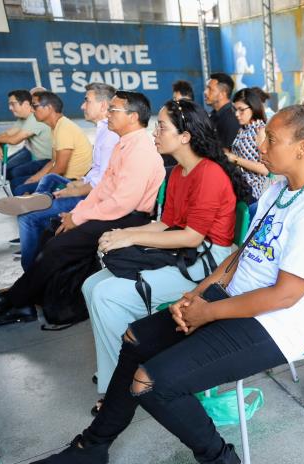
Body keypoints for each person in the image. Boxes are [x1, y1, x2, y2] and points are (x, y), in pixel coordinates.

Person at [23, 96, 304, 464]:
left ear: (303, 150)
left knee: (151, 383)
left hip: (275, 325)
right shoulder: (278, 189)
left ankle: (219, 459)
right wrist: (198, 294)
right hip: (233, 301)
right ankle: (94, 449)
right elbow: (240, 256)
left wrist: (207, 313)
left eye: (271, 139)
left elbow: (285, 296)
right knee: (135, 338)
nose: (260, 146)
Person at [84, 99, 252, 400]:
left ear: (185, 136)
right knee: (91, 285)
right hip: (188, 254)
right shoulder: (177, 172)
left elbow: (191, 236)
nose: (154, 133)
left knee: (107, 295)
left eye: (161, 127)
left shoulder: (209, 173)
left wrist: (130, 239)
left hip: (209, 262)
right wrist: (125, 233)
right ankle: (117, 370)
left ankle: (119, 390)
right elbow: (167, 224)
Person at [0, 91, 165, 326]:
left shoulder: (140, 149)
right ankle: (29, 301)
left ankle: (13, 301)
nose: (108, 115)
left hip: (129, 218)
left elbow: (123, 202)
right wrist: (76, 213)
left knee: (59, 245)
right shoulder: (124, 144)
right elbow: (101, 189)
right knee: (52, 232)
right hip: (111, 211)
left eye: (113, 110)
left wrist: (79, 217)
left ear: (132, 117)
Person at [0, 83, 119, 270]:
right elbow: (96, 171)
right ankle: (41, 198)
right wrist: (79, 182)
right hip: (86, 184)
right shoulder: (102, 130)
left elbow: (100, 183)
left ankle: (29, 274)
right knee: (46, 181)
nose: (82, 106)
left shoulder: (107, 135)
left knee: (27, 217)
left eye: (87, 101)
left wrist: (74, 189)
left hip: (94, 195)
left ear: (102, 106)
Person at [12, 91, 93, 196]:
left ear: (48, 108)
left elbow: (60, 168)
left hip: (71, 181)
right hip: (62, 177)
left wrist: (41, 183)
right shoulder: (56, 127)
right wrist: (35, 178)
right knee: (18, 182)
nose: (31, 110)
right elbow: (54, 161)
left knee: (20, 189)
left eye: (34, 106)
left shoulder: (64, 129)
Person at [0, 89, 52, 183]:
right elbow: (6, 135)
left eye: (13, 104)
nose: (10, 108)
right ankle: (21, 188)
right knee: (3, 168)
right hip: (31, 150)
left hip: (45, 158)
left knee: (15, 174)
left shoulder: (36, 118)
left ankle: (29, 189)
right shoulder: (25, 117)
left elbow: (14, 140)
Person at [225, 87, 269, 202]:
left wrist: (235, 159)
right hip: (239, 186)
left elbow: (265, 169)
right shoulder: (243, 129)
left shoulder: (260, 131)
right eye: (235, 110)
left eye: (241, 110)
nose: (237, 114)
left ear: (253, 108)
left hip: (252, 192)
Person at [204, 72, 240, 148]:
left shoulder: (231, 118)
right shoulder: (214, 115)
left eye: (210, 89)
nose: (205, 92)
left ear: (223, 94)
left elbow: (226, 154)